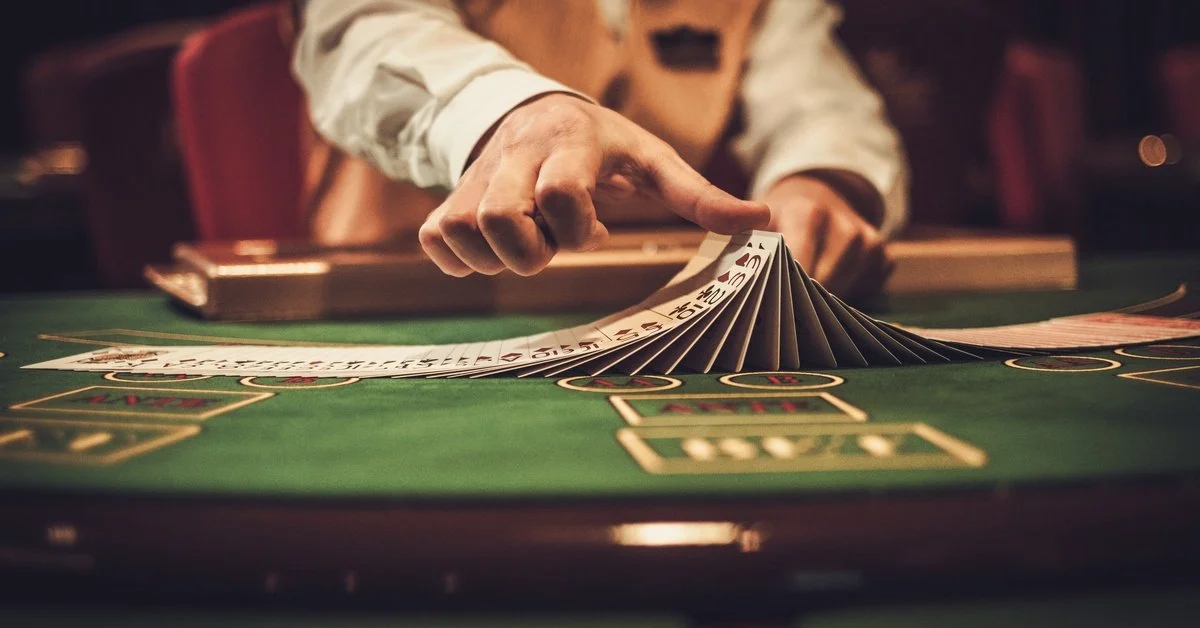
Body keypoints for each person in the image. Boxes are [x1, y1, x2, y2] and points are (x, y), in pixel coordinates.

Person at [292, 0, 908, 298]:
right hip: (396, 297)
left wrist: (819, 181)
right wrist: (512, 115)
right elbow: (364, 33)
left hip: (651, 308)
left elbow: (823, 105)